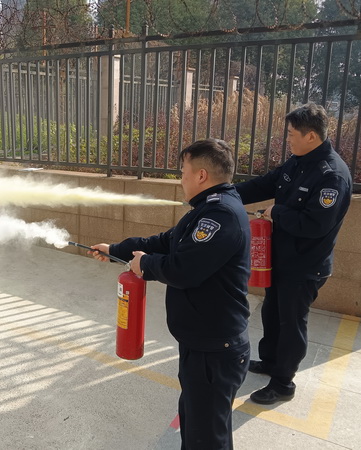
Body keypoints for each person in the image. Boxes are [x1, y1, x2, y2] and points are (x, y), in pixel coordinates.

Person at [90, 139, 251, 450]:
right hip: (202, 344)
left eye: (183, 172)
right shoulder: (208, 208)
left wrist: (145, 265)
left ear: (201, 175)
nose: (181, 179)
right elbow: (166, 242)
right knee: (196, 426)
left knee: (207, 439)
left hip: (214, 350)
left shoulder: (220, 215)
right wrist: (117, 251)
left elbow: (184, 269)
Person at [235, 102, 352, 405]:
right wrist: (224, 193)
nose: (287, 139)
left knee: (291, 322)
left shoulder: (332, 176)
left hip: (305, 266)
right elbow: (266, 184)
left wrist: (277, 212)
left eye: (291, 134)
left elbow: (314, 225)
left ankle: (283, 383)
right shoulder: (298, 162)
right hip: (283, 259)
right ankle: (271, 361)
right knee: (272, 312)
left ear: (311, 136)